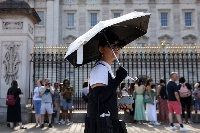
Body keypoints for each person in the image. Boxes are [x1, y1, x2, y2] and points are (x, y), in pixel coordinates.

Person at [87, 32, 128, 132]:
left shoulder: (106, 68)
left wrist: (121, 101)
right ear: (101, 49)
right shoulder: (100, 68)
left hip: (107, 121)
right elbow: (100, 97)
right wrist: (118, 78)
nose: (117, 48)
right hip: (101, 124)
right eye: (112, 45)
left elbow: (108, 95)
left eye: (118, 46)